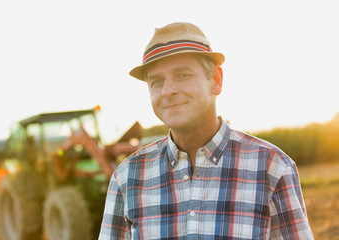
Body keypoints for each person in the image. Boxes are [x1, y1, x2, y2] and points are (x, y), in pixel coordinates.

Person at [99, 22, 313, 239]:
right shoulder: (127, 177)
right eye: (156, 81)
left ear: (216, 81)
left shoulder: (272, 168)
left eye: (183, 75)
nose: (168, 90)